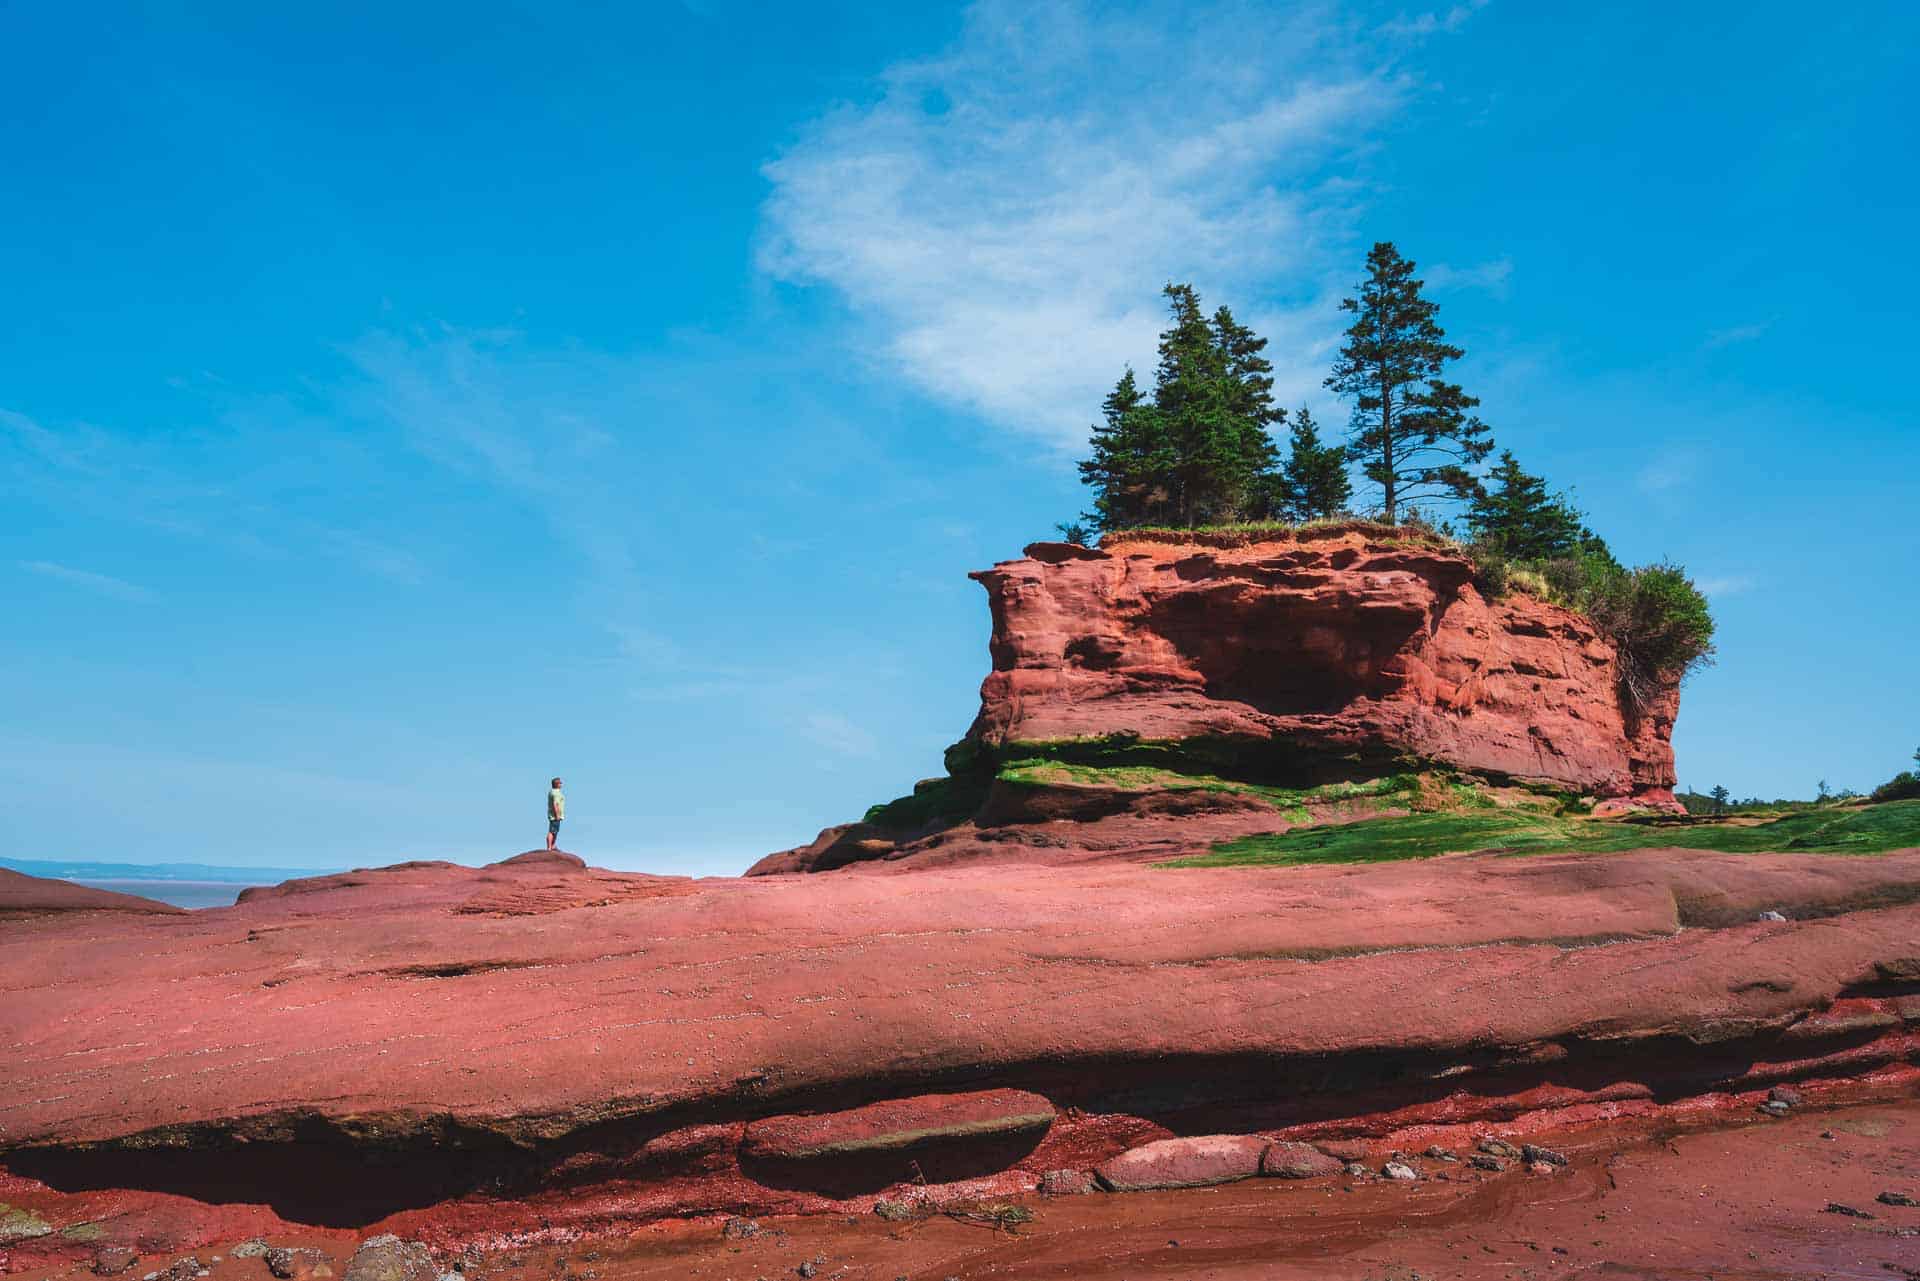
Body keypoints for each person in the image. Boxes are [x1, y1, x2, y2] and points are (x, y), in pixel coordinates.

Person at [546, 777, 565, 851]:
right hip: (555, 815)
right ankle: (549, 847)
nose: (561, 784)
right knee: (552, 831)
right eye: (560, 783)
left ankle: (553, 845)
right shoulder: (556, 793)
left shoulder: (552, 791)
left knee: (555, 831)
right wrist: (557, 815)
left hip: (554, 815)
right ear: (557, 784)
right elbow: (555, 804)